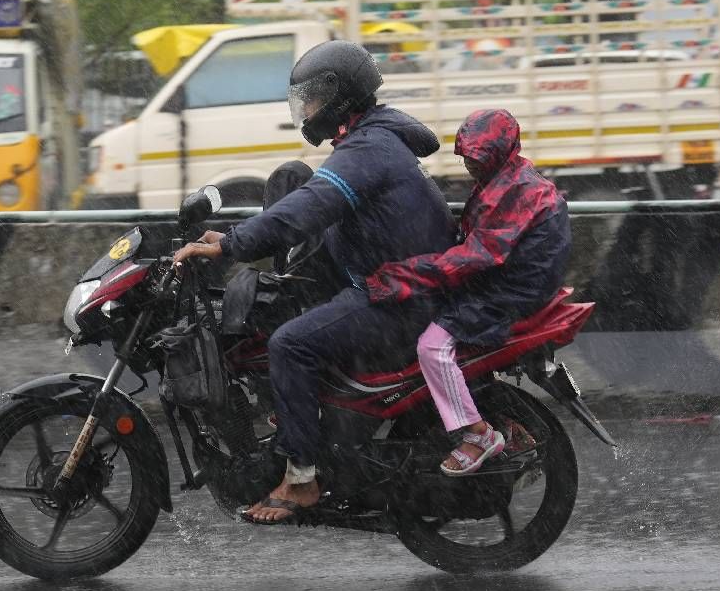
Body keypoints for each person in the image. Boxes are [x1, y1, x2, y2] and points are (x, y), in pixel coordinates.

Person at [172, 40, 454, 524]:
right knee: (290, 179)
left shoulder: (368, 149)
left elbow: (310, 207)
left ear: (339, 97)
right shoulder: (372, 139)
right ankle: (305, 422)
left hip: (398, 300)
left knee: (290, 345)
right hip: (393, 281)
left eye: (313, 99)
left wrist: (231, 245)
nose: (306, 110)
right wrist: (237, 238)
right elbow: (306, 199)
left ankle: (300, 478)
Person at [365, 108, 571, 475]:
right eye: (467, 157)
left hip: (507, 294)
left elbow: (475, 257)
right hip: (506, 282)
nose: (469, 165)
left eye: (477, 158)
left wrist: (403, 274)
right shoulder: (506, 178)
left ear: (497, 153)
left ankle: (477, 434)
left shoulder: (515, 190)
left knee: (432, 346)